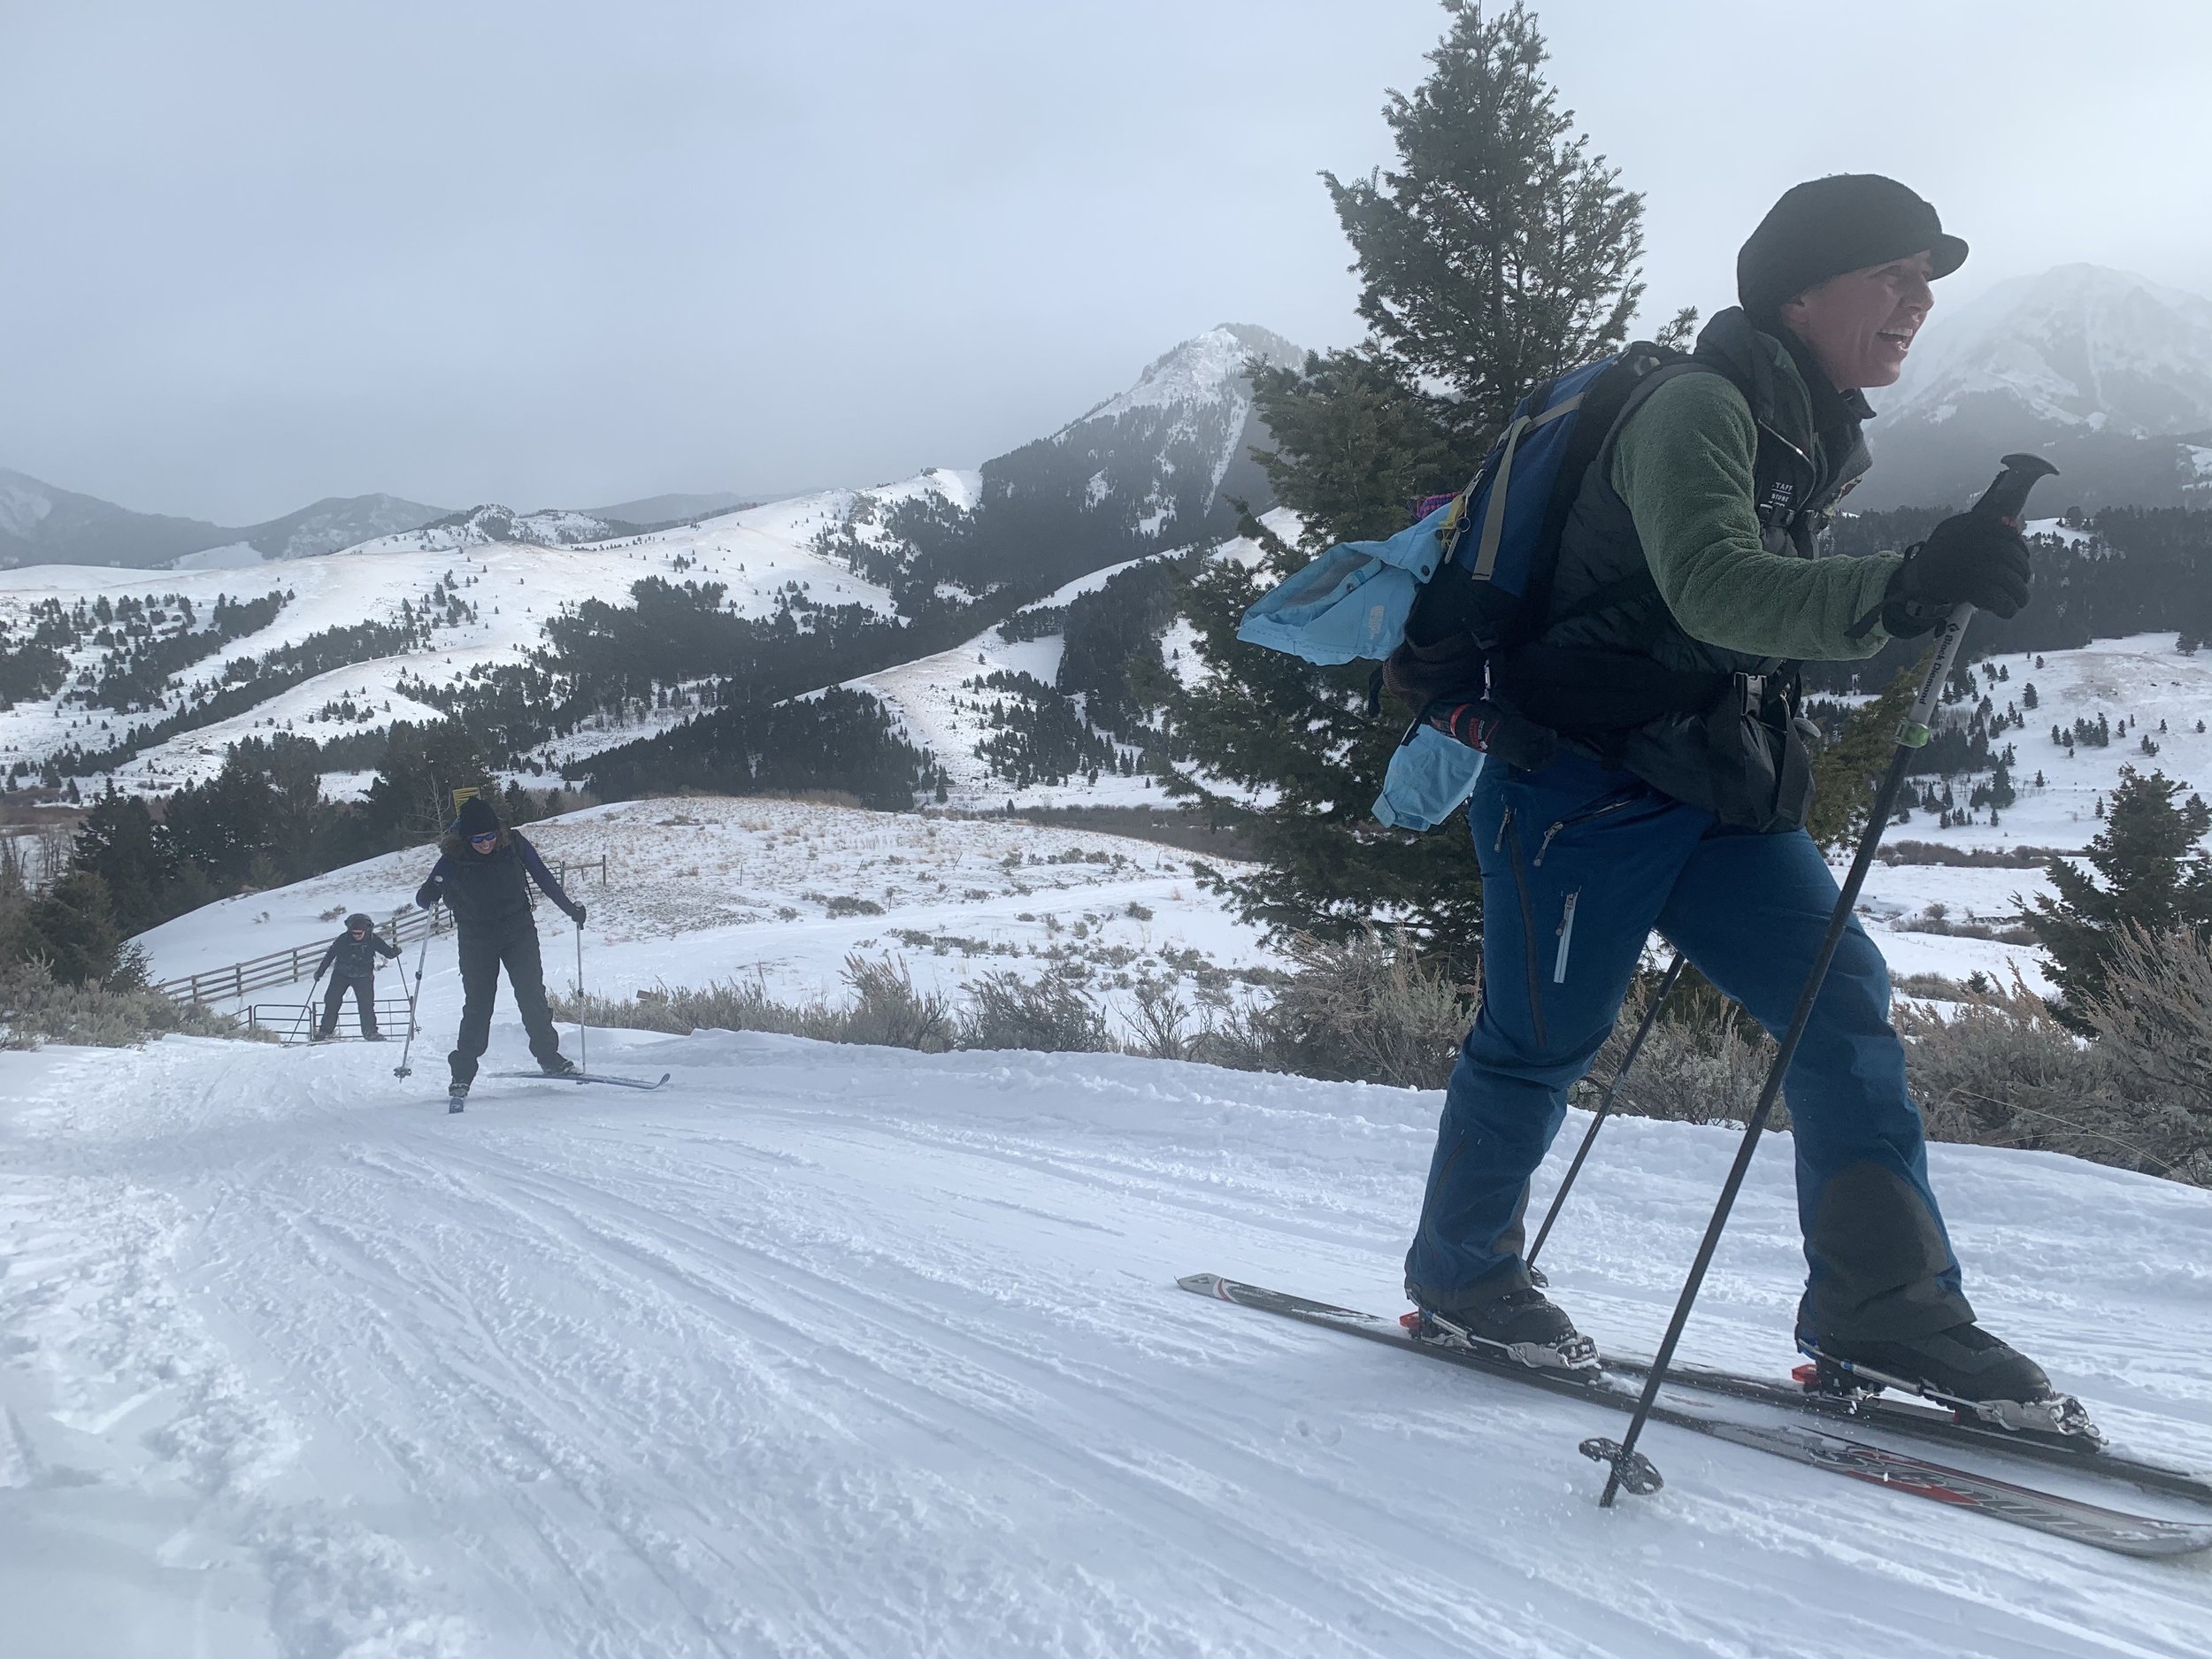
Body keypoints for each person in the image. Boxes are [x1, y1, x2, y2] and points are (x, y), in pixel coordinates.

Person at [1401, 175, 2054, 1412]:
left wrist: (1895, 589)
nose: (1919, 303)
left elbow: (1721, 618)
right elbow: (1716, 588)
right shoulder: (1698, 408)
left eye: (1929, 283)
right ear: (1802, 289)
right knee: (1540, 1043)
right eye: (1894, 277)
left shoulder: (1800, 421)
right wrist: (1903, 585)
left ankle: (1884, 1310)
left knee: (1843, 1004)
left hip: (1715, 787)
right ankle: (1461, 1274)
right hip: (1578, 787)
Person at [413, 795, 586, 1102]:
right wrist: (428, 892)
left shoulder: (514, 844)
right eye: (478, 838)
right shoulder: (454, 856)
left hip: (518, 931)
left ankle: (549, 1059)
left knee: (532, 995)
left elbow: (543, 876)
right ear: (466, 837)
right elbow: (425, 899)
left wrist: (570, 909)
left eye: (490, 836)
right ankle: (462, 1076)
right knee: (479, 1006)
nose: (485, 843)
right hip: (476, 938)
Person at [312, 911, 401, 1040]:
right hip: (341, 974)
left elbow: (387, 953)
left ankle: (370, 1032)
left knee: (366, 1004)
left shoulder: (372, 939)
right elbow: (330, 956)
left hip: (363, 976)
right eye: (353, 933)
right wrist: (319, 972)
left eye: (359, 933)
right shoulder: (343, 939)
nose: (356, 935)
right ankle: (324, 1032)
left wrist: (394, 952)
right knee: (332, 1000)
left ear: (366, 930)